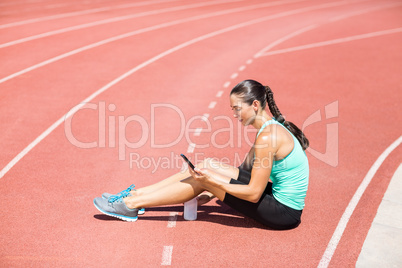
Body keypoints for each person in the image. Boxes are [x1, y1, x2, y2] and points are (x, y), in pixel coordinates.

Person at [93, 79, 309, 230]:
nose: (234, 115)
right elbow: (243, 171)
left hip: (284, 213)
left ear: (254, 105)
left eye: (236, 108)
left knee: (204, 179)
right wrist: (212, 187)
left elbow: (253, 193)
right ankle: (135, 196)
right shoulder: (268, 129)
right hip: (277, 199)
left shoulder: (268, 137)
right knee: (206, 165)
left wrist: (211, 184)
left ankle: (129, 207)